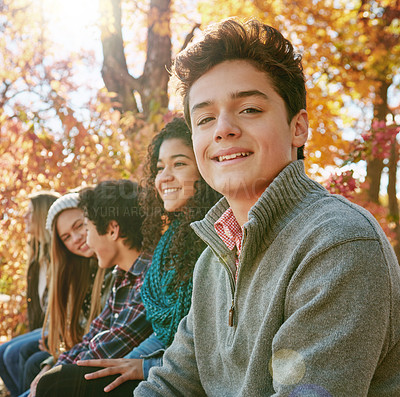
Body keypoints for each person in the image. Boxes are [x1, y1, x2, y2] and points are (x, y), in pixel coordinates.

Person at [134, 18, 400, 396]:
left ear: (298, 128)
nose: (223, 129)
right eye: (205, 118)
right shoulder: (213, 262)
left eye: (249, 109)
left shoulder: (339, 243)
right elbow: (170, 385)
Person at [34, 117, 221, 396]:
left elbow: (202, 343)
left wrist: (145, 365)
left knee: (54, 382)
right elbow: (108, 331)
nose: (165, 177)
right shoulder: (170, 246)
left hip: (184, 375)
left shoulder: (210, 240)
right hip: (163, 364)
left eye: (179, 164)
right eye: (160, 168)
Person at [33, 179, 154, 396]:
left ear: (112, 229)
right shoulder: (120, 276)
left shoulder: (149, 277)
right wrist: (55, 365)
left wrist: (57, 371)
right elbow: (94, 334)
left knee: (51, 383)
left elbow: (112, 345)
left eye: (85, 228)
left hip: (139, 379)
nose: (85, 240)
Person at [18, 192, 112, 397]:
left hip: (95, 357)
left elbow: (103, 335)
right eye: (66, 237)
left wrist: (57, 359)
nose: (77, 239)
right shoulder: (76, 272)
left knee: (31, 363)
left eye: (79, 226)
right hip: (75, 350)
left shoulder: (112, 268)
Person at [0, 192, 59, 397]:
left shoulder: (61, 256)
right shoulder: (36, 261)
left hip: (57, 328)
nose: (24, 217)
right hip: (44, 328)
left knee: (16, 354)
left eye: (30, 212)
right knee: (3, 352)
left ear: (43, 215)